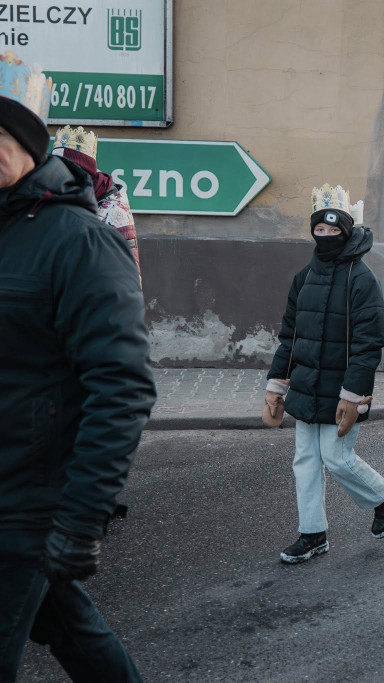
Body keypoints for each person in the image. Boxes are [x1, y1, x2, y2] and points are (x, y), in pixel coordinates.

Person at [0, 56, 156, 681]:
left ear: (31, 147)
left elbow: (122, 385)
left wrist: (83, 516)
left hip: (28, 505)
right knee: (69, 627)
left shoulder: (79, 240)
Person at [264, 184, 384, 564]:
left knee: (336, 457)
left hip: (341, 390)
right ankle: (312, 534)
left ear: (347, 230)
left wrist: (352, 394)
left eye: (333, 230)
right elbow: (289, 334)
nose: (325, 237)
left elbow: (368, 345)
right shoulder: (303, 277)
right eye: (319, 231)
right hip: (307, 385)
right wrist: (276, 386)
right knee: (305, 460)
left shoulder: (362, 280)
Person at [51, 125, 141, 281]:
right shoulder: (55, 198)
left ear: (84, 173)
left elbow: (129, 276)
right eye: (55, 168)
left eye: (66, 169)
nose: (58, 176)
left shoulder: (115, 212)